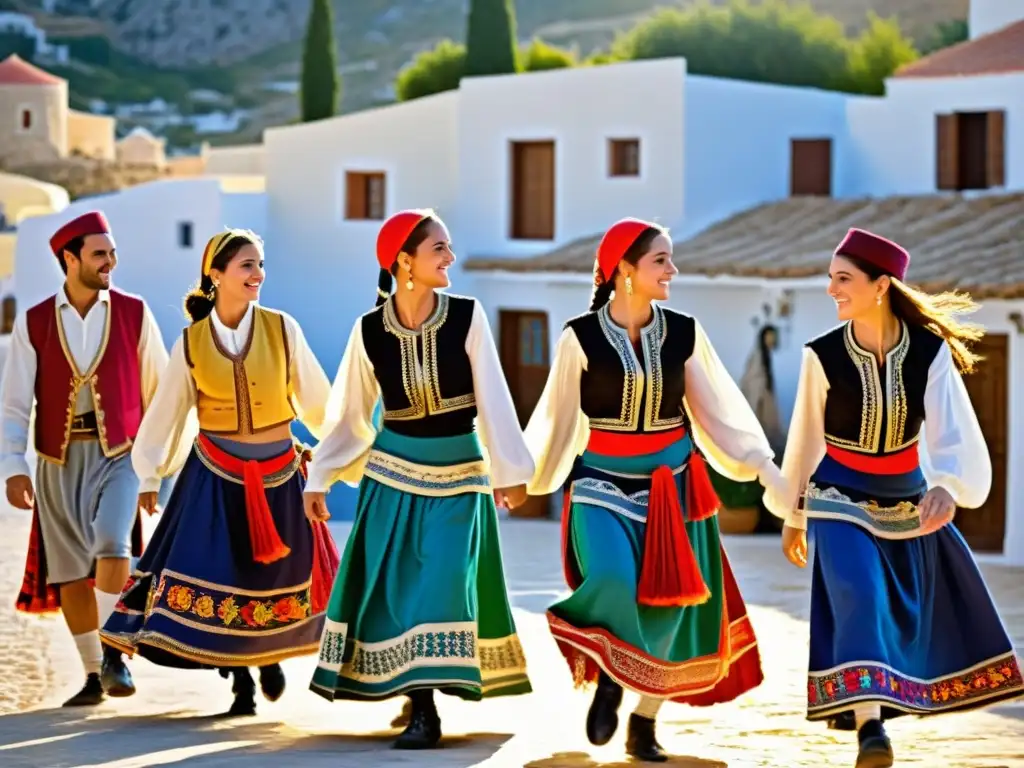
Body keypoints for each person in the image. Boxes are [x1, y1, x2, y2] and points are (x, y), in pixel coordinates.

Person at [523, 218, 786, 762]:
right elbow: (557, 418)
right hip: (600, 484)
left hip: (676, 488)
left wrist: (761, 464)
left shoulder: (685, 331)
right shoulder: (582, 336)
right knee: (614, 578)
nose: (673, 270)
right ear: (624, 269)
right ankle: (610, 680)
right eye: (660, 260)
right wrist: (527, 479)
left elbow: (716, 411)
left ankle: (643, 720)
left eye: (670, 259)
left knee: (670, 612)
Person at [764, 228, 1024, 768]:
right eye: (832, 277)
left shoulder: (928, 353)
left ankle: (882, 705)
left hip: (904, 496)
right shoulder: (822, 354)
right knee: (860, 591)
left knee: (904, 604)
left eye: (843, 278)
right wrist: (794, 514)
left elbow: (952, 432)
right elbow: (807, 439)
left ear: (881, 285)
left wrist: (947, 487)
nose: (831, 288)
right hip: (836, 494)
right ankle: (870, 728)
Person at [303, 209, 534, 750]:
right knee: (401, 588)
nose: (450, 257)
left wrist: (511, 471)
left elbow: (494, 398)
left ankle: (425, 701)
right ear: (404, 261)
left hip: (460, 473)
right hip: (393, 473)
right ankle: (422, 705)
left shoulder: (467, 316)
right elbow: (351, 415)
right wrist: (321, 476)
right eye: (439, 249)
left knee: (444, 582)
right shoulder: (368, 331)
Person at [100, 228, 340, 716]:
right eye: (247, 265)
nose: (258, 275)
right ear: (217, 275)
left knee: (272, 578)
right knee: (213, 575)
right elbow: (166, 413)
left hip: (279, 476)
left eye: (260, 265)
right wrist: (150, 475)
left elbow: (321, 404)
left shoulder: (281, 328)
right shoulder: (191, 342)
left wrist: (336, 459)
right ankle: (241, 685)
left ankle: (266, 658)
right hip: (214, 474)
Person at [3, 211, 168, 705]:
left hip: (120, 454)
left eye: (112, 253)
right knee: (71, 571)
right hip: (55, 459)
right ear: (69, 259)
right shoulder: (33, 321)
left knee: (112, 545)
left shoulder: (135, 313)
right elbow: (14, 402)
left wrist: (153, 469)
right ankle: (95, 674)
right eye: (100, 254)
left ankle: (114, 651)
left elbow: (158, 394)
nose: (110, 263)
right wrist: (14, 465)